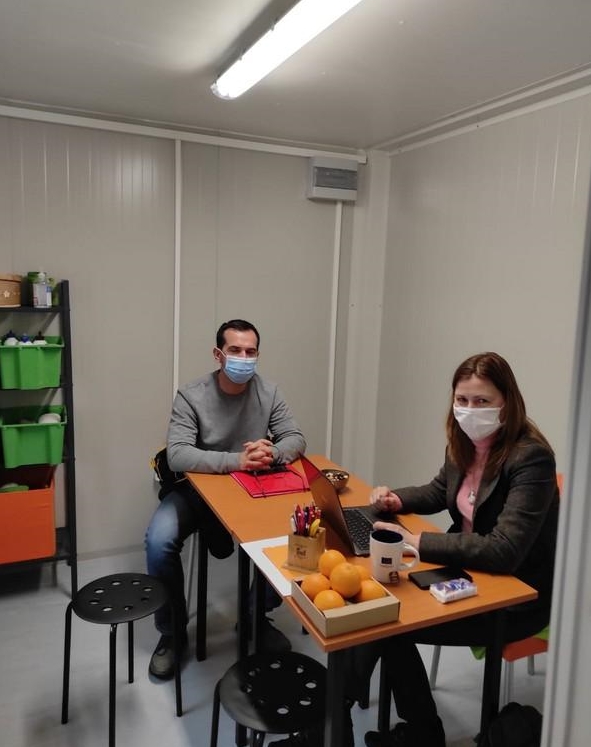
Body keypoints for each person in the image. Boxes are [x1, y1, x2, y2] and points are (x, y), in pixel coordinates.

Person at [344, 352, 560, 747]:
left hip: (515, 595)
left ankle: (395, 729)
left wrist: (416, 542)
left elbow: (505, 550)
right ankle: (352, 723)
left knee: (389, 625)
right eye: (462, 400)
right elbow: (440, 490)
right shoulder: (464, 443)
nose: (469, 410)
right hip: (467, 571)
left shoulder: (532, 458)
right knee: (377, 608)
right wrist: (395, 499)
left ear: (507, 403)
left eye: (482, 401)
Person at [145, 319, 306, 679]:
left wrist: (273, 452)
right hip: (196, 491)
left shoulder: (269, 392)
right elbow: (178, 455)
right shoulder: (191, 395)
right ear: (218, 354)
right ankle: (172, 633)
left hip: (254, 489)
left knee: (299, 534)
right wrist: (237, 460)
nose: (243, 358)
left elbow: (295, 437)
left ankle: (253, 616)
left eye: (250, 352)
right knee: (158, 541)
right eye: (235, 350)